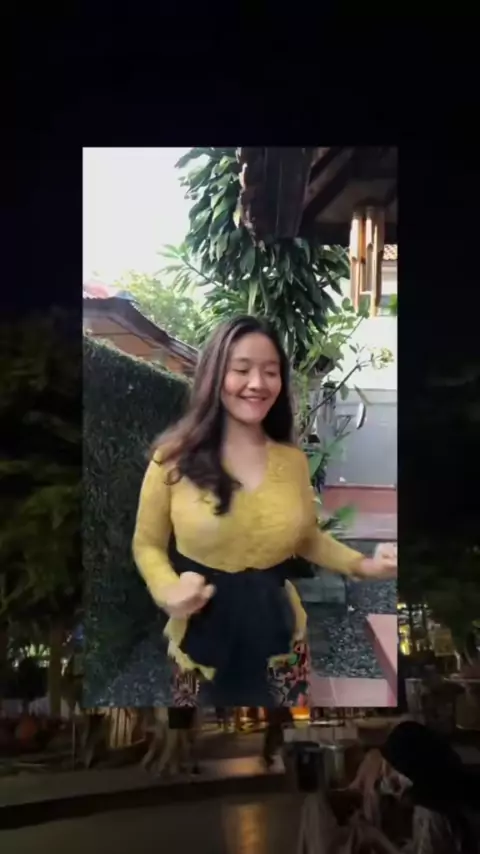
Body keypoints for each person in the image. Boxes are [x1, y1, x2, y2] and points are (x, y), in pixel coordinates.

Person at [132, 316, 397, 708]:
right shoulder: (172, 460)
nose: (257, 383)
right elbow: (147, 544)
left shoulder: (291, 461)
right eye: (242, 370)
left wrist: (366, 565)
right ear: (214, 376)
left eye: (270, 372)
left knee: (285, 733)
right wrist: (167, 589)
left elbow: (306, 538)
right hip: (200, 643)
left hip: (280, 639)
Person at [381, 720, 480, 853]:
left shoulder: (431, 814)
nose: (388, 779)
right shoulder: (437, 799)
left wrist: (378, 840)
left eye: (393, 770)